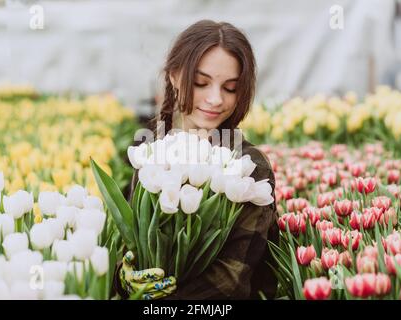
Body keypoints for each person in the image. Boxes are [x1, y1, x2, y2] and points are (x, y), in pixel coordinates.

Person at [114, 19, 279, 300]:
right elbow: (129, 242)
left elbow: (232, 279)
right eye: (201, 82)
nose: (215, 99)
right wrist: (124, 278)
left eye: (230, 88)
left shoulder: (248, 167)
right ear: (175, 76)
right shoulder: (151, 153)